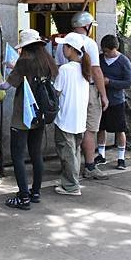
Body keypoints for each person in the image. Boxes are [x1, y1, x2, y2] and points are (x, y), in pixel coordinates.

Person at [0, 29, 58, 210]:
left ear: (25, 47)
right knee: (36, 154)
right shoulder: (47, 61)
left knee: (18, 156)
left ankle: (23, 197)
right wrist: (14, 67)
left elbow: (7, 85)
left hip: (22, 115)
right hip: (39, 114)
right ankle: (35, 192)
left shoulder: (24, 62)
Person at [55, 12, 109, 180]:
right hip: (88, 88)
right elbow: (96, 71)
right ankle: (90, 166)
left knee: (68, 131)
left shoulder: (61, 44)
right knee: (89, 129)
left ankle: (69, 166)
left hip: (66, 89)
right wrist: (103, 95)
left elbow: (57, 67)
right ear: (87, 26)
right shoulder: (89, 43)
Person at [53, 32, 91, 196]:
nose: (61, 49)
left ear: (71, 49)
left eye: (64, 46)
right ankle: (71, 181)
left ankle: (71, 186)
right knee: (74, 152)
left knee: (67, 153)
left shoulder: (65, 69)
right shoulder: (84, 69)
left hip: (65, 118)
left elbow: (56, 92)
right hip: (79, 119)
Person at [95, 34, 131, 170]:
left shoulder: (124, 62)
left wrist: (109, 82)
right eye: (103, 51)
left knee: (119, 129)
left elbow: (128, 83)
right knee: (100, 128)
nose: (105, 53)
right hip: (99, 99)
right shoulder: (99, 59)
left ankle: (121, 157)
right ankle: (101, 154)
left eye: (107, 51)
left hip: (117, 101)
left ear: (114, 49)